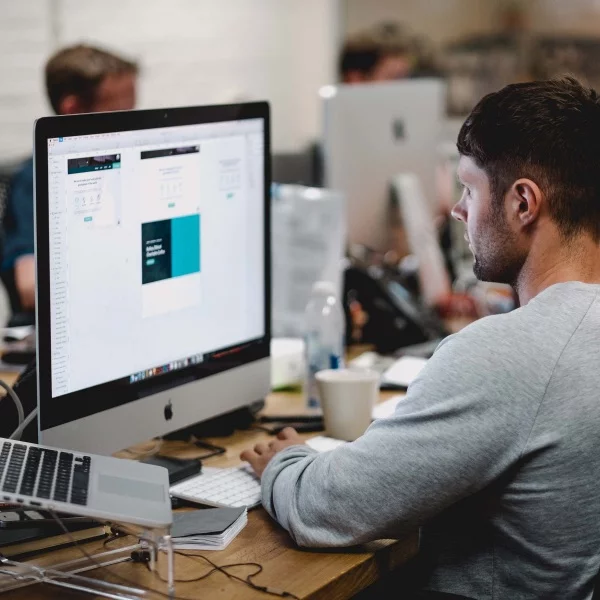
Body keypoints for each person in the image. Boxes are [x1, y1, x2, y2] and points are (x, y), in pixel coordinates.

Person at [241, 77, 600, 599]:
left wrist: (285, 462)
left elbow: (329, 509)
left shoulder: (510, 355)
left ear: (524, 203)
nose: (457, 211)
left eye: (470, 190)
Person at [2, 44, 138, 320]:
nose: (133, 124)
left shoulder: (122, 166)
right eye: (120, 113)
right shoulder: (35, 181)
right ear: (73, 109)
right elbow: (29, 288)